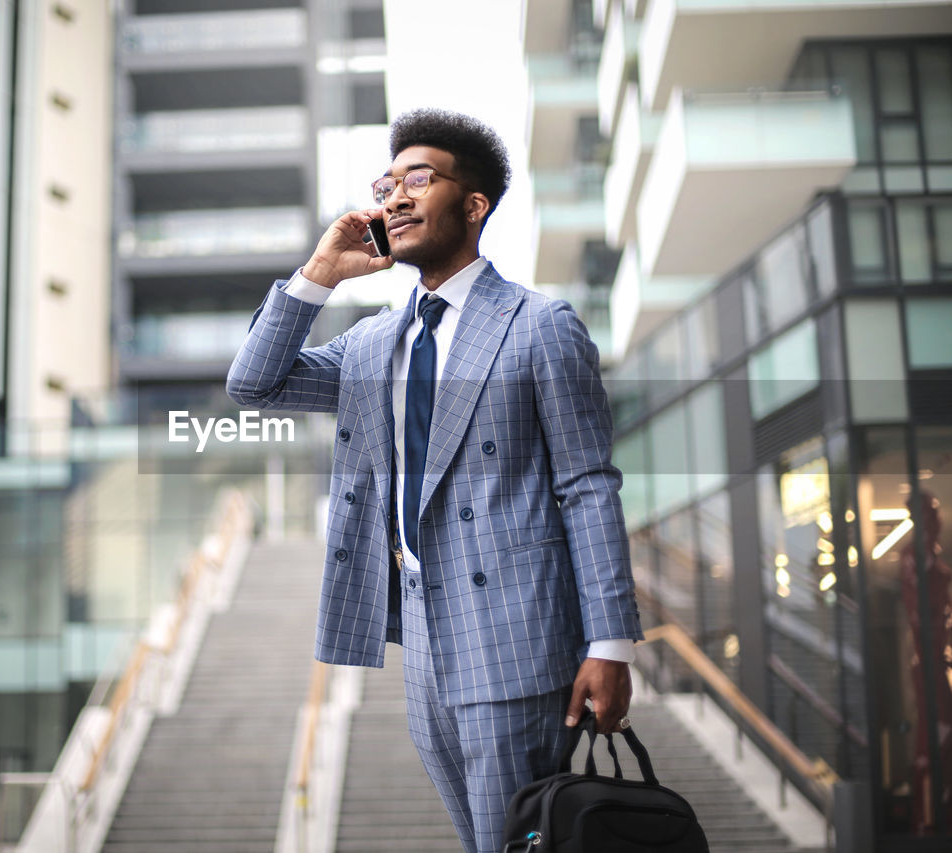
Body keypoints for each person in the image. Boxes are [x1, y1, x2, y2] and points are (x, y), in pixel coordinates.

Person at [226, 108, 642, 853]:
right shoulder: (374, 343)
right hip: (421, 642)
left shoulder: (538, 324)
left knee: (518, 840)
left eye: (420, 178)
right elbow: (255, 384)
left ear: (474, 204)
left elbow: (587, 483)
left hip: (518, 636)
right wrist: (319, 274)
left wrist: (609, 644)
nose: (397, 196)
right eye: (388, 182)